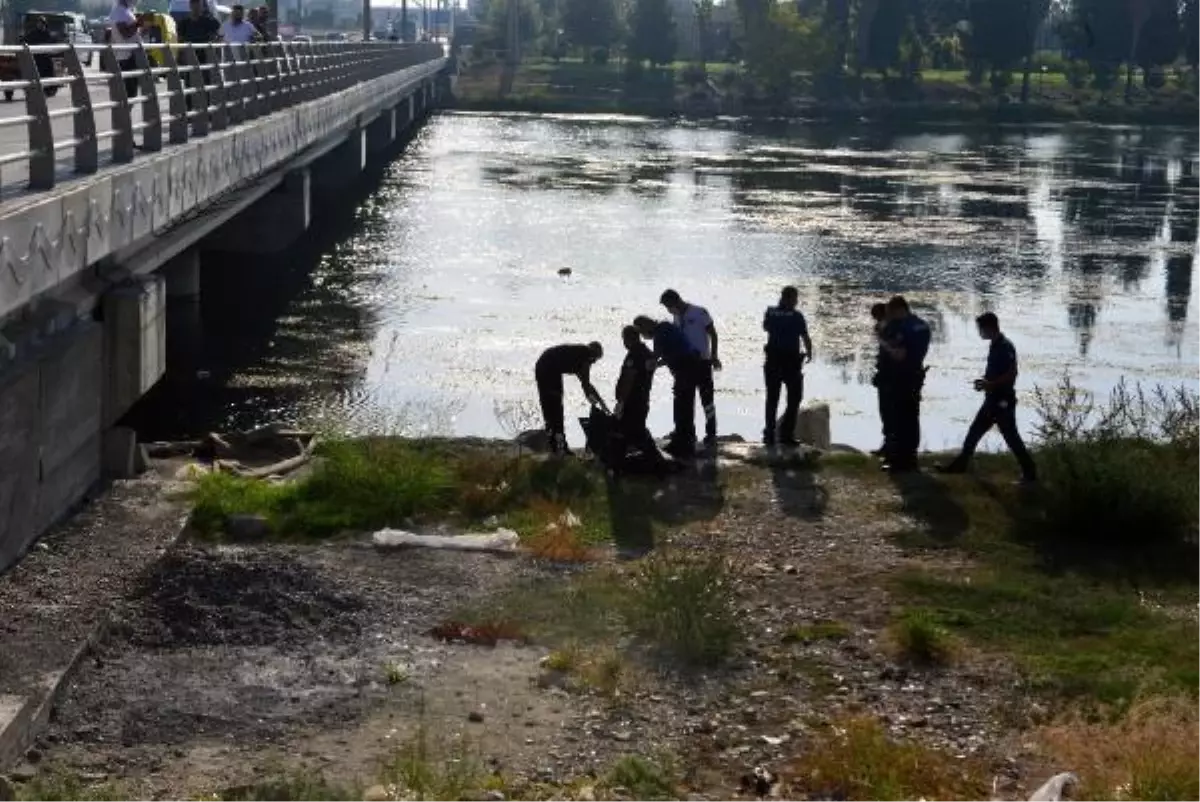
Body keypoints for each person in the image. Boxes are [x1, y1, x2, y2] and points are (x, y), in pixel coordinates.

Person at [937, 313, 1037, 484]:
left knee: (1011, 437)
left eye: (980, 329)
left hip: (1002, 401)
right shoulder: (995, 344)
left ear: (990, 327)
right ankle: (960, 465)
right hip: (992, 400)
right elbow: (997, 372)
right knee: (974, 432)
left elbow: (1012, 373)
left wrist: (991, 384)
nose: (979, 332)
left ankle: (1030, 474)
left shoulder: (1005, 346)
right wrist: (984, 382)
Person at [659, 289, 721, 446]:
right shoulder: (676, 317)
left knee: (707, 401)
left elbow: (713, 334)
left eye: (668, 306)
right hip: (686, 366)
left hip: (702, 363)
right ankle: (689, 433)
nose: (668, 310)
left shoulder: (699, 312)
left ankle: (711, 433)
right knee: (687, 400)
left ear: (676, 301)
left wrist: (714, 356)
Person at [634, 315, 701, 458]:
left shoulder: (660, 333)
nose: (643, 336)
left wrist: (644, 367)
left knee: (682, 405)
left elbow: (655, 356)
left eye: (641, 332)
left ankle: (682, 442)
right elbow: (669, 354)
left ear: (645, 326)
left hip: (686, 368)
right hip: (689, 366)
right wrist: (656, 364)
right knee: (685, 404)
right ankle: (685, 438)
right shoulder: (665, 328)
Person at [878, 295, 930, 473]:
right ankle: (911, 458)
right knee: (911, 418)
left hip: (900, 378)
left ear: (899, 309)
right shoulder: (922, 325)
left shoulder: (904, 327)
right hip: (914, 377)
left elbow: (898, 354)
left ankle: (898, 460)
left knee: (897, 418)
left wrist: (882, 342)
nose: (889, 316)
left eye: (890, 312)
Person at [762, 286, 813, 447]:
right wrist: (810, 352)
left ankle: (769, 434)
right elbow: (805, 336)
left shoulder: (770, 312)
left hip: (772, 360)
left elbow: (766, 327)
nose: (796, 302)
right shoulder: (797, 316)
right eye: (795, 299)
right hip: (791, 362)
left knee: (772, 399)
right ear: (791, 299)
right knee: (794, 398)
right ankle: (786, 435)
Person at [535, 342, 603, 455]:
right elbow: (586, 385)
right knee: (555, 408)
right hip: (549, 368)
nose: (594, 363)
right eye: (595, 359)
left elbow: (587, 384)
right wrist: (596, 403)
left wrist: (601, 403)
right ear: (593, 353)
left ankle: (555, 445)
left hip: (544, 366)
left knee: (550, 407)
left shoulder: (579, 355)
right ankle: (560, 447)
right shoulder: (586, 354)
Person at [613, 325, 666, 468]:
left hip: (632, 401)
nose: (624, 343)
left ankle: (655, 462)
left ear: (629, 339)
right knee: (635, 431)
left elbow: (629, 379)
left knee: (628, 432)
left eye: (624, 339)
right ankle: (649, 460)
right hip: (643, 400)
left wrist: (621, 402)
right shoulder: (648, 353)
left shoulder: (634, 354)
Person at [108, 0, 142, 99]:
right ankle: (124, 113)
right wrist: (138, 23)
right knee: (129, 93)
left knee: (131, 92)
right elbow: (125, 34)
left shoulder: (126, 11)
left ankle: (125, 113)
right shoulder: (119, 11)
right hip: (126, 56)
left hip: (130, 55)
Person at [870, 302, 892, 457]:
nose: (876, 322)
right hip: (884, 374)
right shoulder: (884, 328)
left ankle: (890, 446)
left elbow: (888, 353)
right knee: (885, 411)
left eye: (877, 318)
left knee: (888, 411)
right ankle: (888, 444)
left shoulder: (889, 329)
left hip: (890, 376)